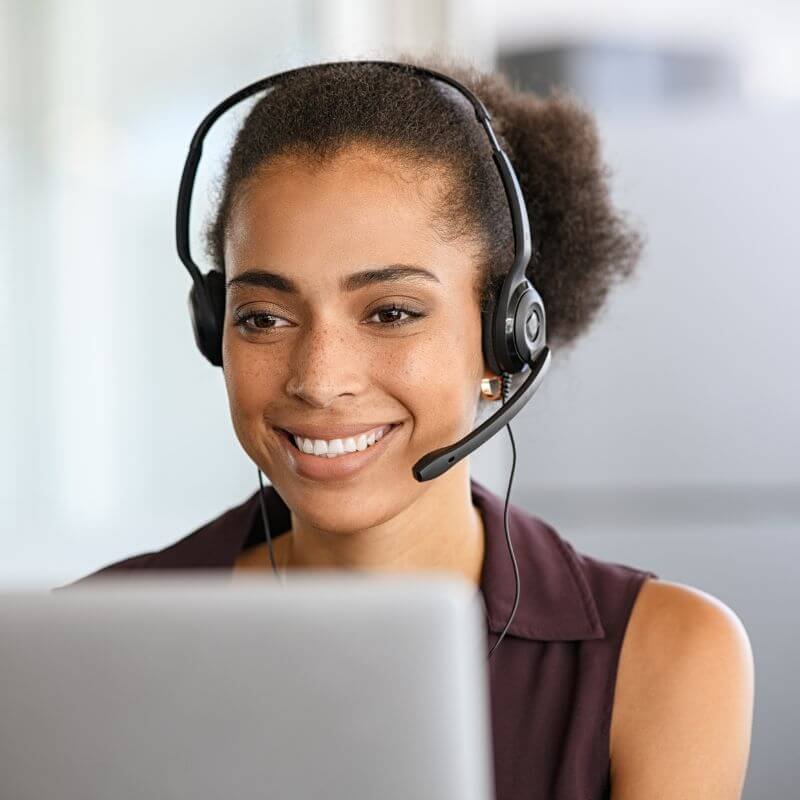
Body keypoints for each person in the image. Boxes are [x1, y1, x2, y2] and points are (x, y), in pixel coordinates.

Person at [59, 55, 754, 799]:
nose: (320, 379)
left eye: (391, 312)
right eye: (264, 317)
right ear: (212, 332)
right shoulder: (85, 646)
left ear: (502, 338)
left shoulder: (666, 657)